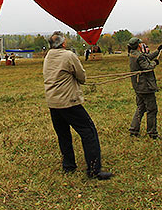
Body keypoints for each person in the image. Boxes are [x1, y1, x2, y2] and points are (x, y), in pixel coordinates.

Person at [43, 32, 112, 180]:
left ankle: (69, 166)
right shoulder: (68, 56)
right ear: (63, 44)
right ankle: (94, 170)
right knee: (89, 132)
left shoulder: (48, 56)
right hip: (69, 101)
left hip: (53, 103)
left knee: (63, 135)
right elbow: (82, 77)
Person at [128, 37, 162, 139]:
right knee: (152, 109)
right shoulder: (139, 56)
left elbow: (147, 57)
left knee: (140, 108)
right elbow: (147, 67)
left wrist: (158, 51)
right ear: (138, 45)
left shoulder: (133, 54)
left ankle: (133, 130)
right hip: (145, 87)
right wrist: (155, 63)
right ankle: (152, 133)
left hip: (138, 86)